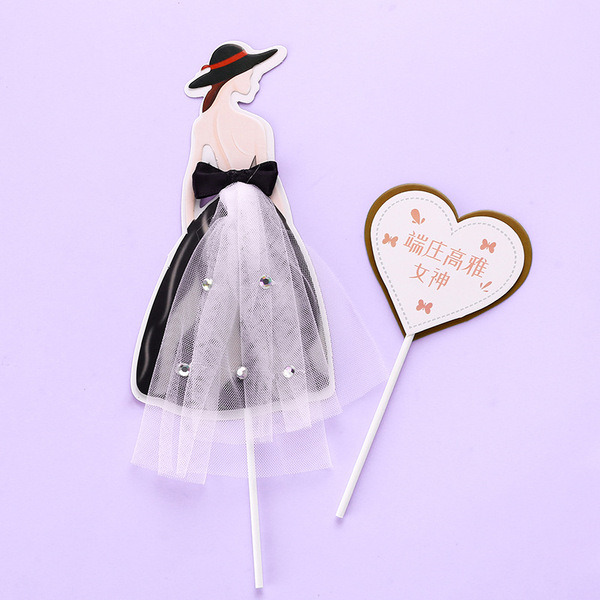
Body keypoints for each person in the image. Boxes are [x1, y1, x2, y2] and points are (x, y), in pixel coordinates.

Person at [131, 43, 385, 483]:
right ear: (233, 79)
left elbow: (195, 181)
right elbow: (266, 187)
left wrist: (192, 229)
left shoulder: (212, 125)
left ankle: (247, 387)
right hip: (252, 219)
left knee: (225, 302)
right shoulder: (247, 126)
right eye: (250, 72)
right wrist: (285, 231)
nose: (254, 80)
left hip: (221, 219)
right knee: (252, 302)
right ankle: (251, 387)